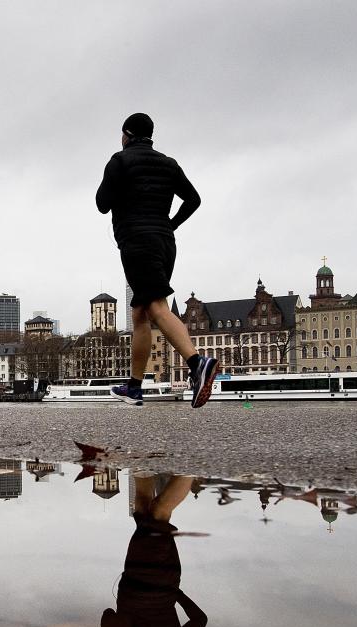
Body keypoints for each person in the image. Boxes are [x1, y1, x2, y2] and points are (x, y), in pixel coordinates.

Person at [96, 112, 218, 407]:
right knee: (140, 313)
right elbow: (194, 200)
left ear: (126, 134)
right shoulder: (168, 164)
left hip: (137, 241)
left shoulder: (119, 161)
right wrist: (172, 223)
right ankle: (135, 386)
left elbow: (102, 204)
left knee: (157, 307)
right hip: (165, 241)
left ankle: (196, 363)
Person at [100, 473, 207, 627]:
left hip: (168, 577)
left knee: (143, 510)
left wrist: (175, 593)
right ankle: (190, 470)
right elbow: (109, 618)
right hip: (139, 577)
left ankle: (140, 460)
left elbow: (200, 620)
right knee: (159, 514)